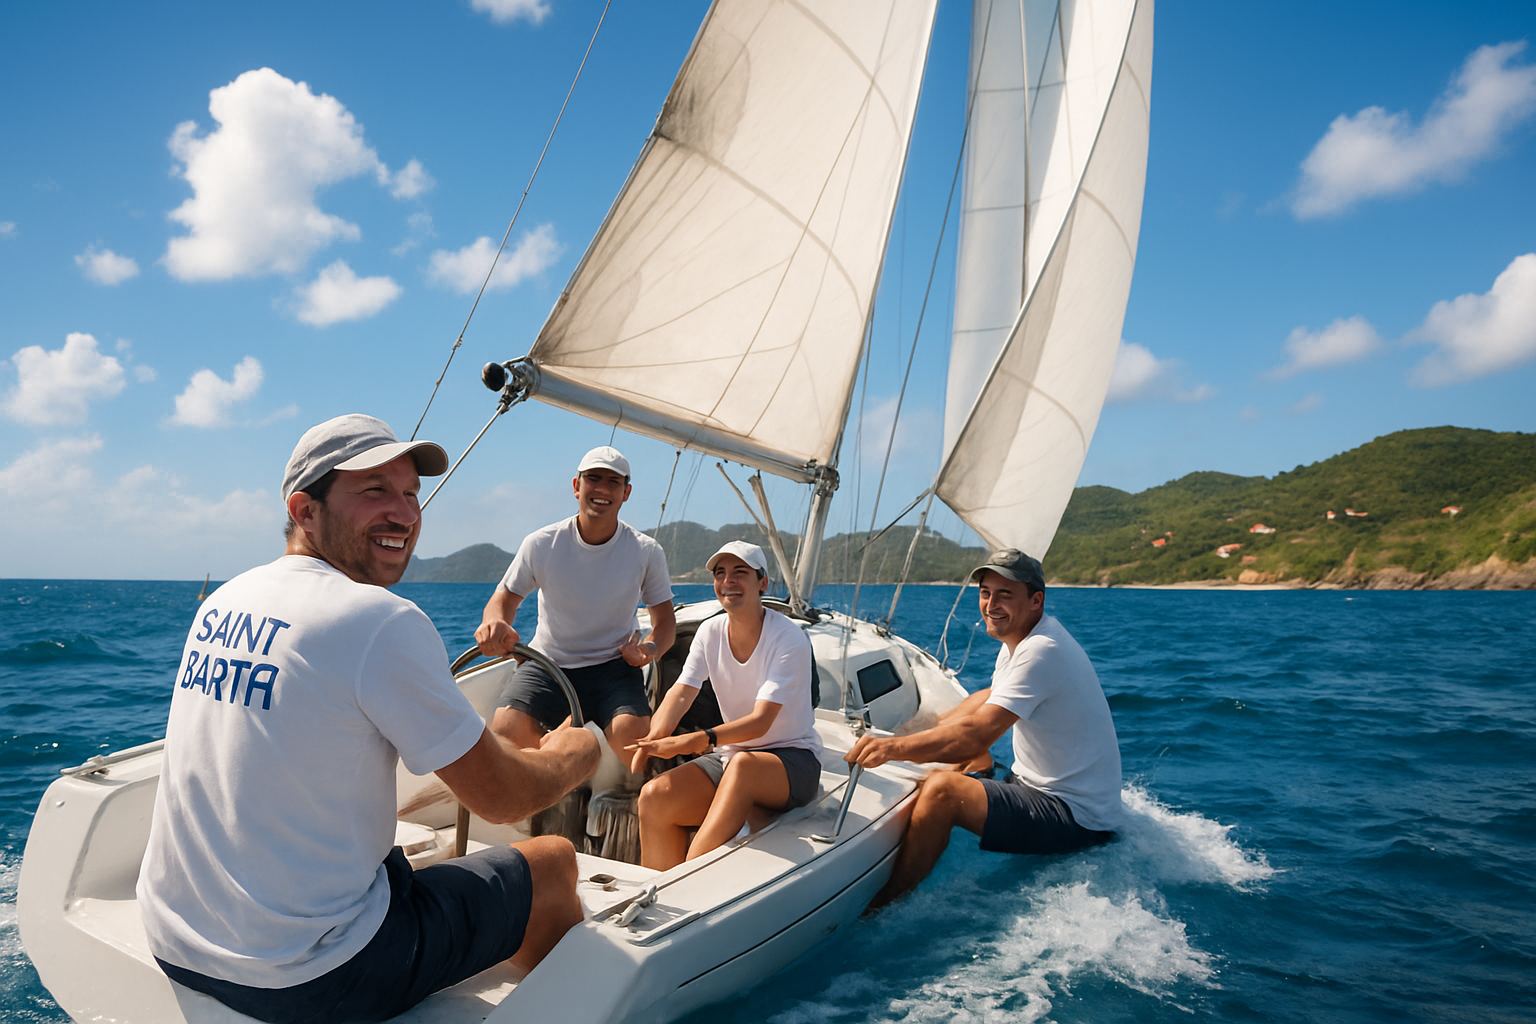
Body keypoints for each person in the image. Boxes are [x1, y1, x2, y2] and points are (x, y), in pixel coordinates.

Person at [137, 414, 602, 1024]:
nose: (406, 514)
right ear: (305, 511)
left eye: (411, 493)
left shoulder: (224, 600)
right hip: (313, 975)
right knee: (554, 863)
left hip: (175, 939)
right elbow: (503, 797)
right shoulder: (380, 620)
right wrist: (578, 751)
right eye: (375, 491)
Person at [846, 548, 1121, 909]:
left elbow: (975, 735)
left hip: (1076, 819)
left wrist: (893, 748)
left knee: (942, 791)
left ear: (1036, 600)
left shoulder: (1041, 650)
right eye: (986, 593)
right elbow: (990, 696)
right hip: (1052, 793)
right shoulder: (1021, 640)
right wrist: (923, 730)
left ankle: (887, 904)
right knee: (958, 748)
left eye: (1005, 594)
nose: (991, 604)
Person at [628, 541, 825, 870]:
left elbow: (761, 721)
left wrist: (697, 739)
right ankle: (660, 899)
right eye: (720, 574)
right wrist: (653, 739)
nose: (728, 581)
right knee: (654, 797)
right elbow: (682, 691)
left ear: (762, 583)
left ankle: (684, 884)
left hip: (794, 760)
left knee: (743, 767)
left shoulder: (789, 638)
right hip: (732, 758)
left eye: (740, 573)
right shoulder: (710, 631)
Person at [475, 446, 676, 764]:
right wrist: (496, 623)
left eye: (613, 482)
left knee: (635, 748)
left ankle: (580, 767)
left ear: (626, 493)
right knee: (506, 730)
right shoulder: (542, 543)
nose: (602, 489)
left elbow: (665, 623)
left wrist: (648, 651)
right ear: (576, 486)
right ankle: (554, 781)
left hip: (615, 668)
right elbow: (503, 600)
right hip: (548, 665)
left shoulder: (646, 551)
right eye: (593, 479)